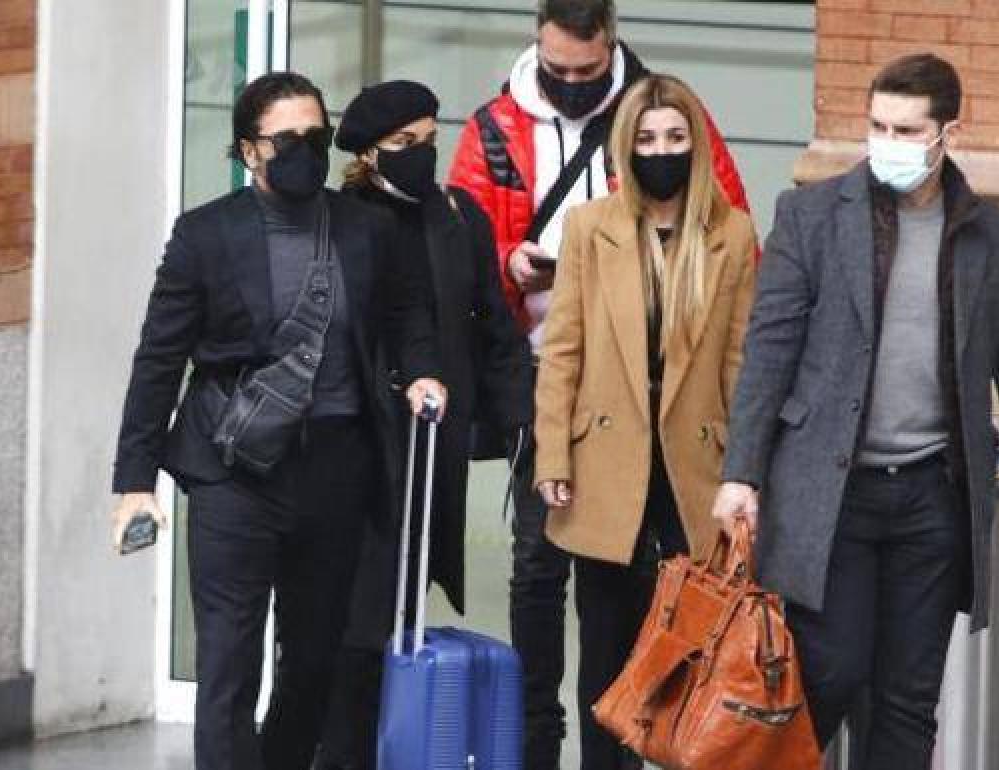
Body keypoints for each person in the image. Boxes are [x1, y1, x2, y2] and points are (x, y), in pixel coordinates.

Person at [711, 53, 999, 770]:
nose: (888, 142)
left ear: (948, 133)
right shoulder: (812, 216)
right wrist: (741, 473)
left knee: (909, 700)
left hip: (932, 496)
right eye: (878, 126)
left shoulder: (993, 235)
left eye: (907, 130)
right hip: (832, 494)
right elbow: (769, 350)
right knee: (830, 671)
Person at [108, 72, 446, 770]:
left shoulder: (366, 228)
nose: (305, 151)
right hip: (233, 473)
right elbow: (159, 359)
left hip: (336, 469)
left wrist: (420, 369)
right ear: (249, 150)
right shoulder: (205, 235)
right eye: (287, 140)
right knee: (229, 665)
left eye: (317, 137)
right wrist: (135, 482)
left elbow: (407, 309)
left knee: (315, 660)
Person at [447, 3, 749, 765]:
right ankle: (538, 739)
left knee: (667, 600)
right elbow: (462, 246)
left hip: (670, 408)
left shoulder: (661, 111)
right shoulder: (496, 130)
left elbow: (731, 256)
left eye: (588, 69)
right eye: (559, 69)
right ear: (538, 45)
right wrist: (507, 263)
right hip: (543, 373)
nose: (574, 82)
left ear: (612, 44)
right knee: (541, 571)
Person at [535, 73, 757, 770]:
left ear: (697, 145)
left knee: (688, 658)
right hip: (605, 464)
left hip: (696, 468)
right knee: (604, 650)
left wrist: (747, 472)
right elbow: (562, 349)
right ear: (626, 149)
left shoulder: (731, 233)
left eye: (675, 137)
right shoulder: (589, 227)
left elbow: (742, 362)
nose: (661, 151)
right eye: (647, 139)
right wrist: (552, 456)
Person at [314, 79, 534, 770]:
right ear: (368, 153)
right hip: (359, 454)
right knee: (354, 622)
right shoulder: (341, 220)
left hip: (432, 451)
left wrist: (519, 425)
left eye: (431, 140)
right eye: (403, 143)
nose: (421, 155)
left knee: (406, 617)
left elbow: (494, 330)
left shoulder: (458, 216)